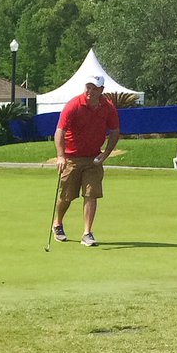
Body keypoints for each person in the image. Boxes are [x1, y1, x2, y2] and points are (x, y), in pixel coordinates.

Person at [53, 71, 120, 247]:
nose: (89, 91)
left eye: (94, 88)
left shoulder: (108, 107)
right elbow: (60, 130)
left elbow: (114, 131)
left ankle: (87, 233)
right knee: (66, 196)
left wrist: (105, 154)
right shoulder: (73, 105)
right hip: (72, 158)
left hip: (93, 159)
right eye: (88, 87)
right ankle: (58, 223)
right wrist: (61, 156)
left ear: (101, 90)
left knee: (91, 195)